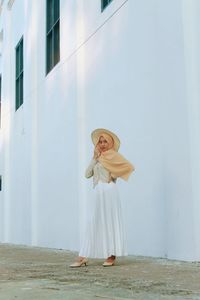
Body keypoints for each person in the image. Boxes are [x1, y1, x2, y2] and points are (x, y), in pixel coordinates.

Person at [70, 128, 134, 267]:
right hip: (97, 192)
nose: (103, 144)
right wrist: (94, 158)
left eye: (105, 141)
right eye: (100, 141)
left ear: (110, 143)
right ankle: (84, 255)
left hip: (109, 190)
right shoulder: (98, 158)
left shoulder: (114, 156)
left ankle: (111, 255)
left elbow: (128, 166)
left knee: (110, 221)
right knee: (93, 221)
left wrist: (114, 175)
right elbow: (87, 174)